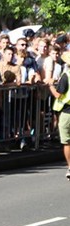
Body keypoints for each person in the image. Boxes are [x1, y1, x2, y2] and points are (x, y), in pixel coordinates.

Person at [50, 51, 70, 180]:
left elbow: (59, 95)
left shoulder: (66, 75)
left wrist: (50, 85)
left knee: (67, 141)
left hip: (67, 111)